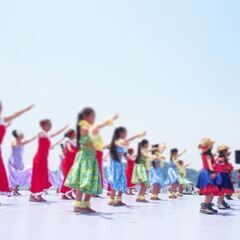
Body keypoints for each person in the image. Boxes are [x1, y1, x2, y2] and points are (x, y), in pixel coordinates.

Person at [65, 107, 116, 213]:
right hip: (85, 156)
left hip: (92, 156)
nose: (94, 118)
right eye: (92, 116)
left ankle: (85, 204)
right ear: (86, 117)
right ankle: (78, 205)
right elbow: (92, 132)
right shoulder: (83, 126)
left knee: (91, 180)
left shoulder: (89, 127)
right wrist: (108, 121)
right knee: (83, 179)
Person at [0, 101, 34, 197]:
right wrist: (26, 109)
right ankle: (13, 189)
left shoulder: (2, 121)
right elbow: (15, 114)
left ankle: (14, 189)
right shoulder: (2, 120)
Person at [29, 119, 68, 202]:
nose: (50, 127)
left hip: (43, 159)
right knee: (38, 177)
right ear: (43, 125)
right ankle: (35, 196)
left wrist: (63, 132)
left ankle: (35, 195)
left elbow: (54, 135)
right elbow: (53, 134)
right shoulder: (41, 132)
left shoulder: (45, 134)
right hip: (39, 159)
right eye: (48, 125)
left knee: (41, 177)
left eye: (50, 125)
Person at [108, 128, 145, 206]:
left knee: (122, 181)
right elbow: (128, 140)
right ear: (120, 133)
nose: (125, 135)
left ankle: (118, 199)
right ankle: (111, 199)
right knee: (116, 180)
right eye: (124, 133)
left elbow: (125, 153)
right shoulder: (117, 141)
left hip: (119, 164)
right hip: (115, 164)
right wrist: (137, 135)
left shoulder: (120, 143)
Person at [8, 130, 37, 195]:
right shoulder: (15, 141)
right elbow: (16, 144)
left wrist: (36, 136)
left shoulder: (20, 141)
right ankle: (12, 189)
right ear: (17, 135)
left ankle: (15, 190)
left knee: (20, 174)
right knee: (16, 174)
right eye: (19, 133)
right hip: (14, 160)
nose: (21, 134)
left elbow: (29, 140)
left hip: (19, 160)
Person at [196, 138, 220, 215]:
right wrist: (213, 172)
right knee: (210, 190)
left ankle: (208, 205)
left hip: (206, 172)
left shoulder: (205, 154)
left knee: (211, 190)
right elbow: (210, 164)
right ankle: (205, 206)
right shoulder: (207, 154)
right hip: (207, 172)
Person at [59, 129, 77, 200]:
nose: (76, 134)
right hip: (67, 162)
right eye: (74, 133)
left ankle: (69, 192)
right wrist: (68, 151)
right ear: (71, 134)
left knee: (72, 178)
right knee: (67, 178)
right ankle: (63, 193)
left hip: (73, 161)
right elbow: (66, 148)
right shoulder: (67, 141)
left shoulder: (74, 142)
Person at [215, 145, 234, 209]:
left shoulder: (224, 159)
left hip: (225, 175)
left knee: (223, 190)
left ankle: (221, 201)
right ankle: (220, 202)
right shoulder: (220, 158)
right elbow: (218, 165)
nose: (226, 152)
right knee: (221, 190)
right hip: (221, 175)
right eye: (225, 151)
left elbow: (228, 167)